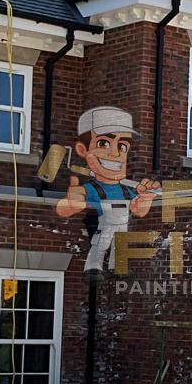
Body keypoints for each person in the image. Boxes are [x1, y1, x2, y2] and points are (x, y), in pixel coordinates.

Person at [53, 106, 160, 276]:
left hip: (121, 225)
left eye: (122, 146)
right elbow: (65, 207)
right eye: (104, 144)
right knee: (100, 243)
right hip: (103, 224)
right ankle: (93, 267)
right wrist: (70, 205)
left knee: (120, 243)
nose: (115, 153)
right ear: (82, 150)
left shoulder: (127, 190)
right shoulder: (92, 188)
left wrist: (146, 197)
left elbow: (138, 211)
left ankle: (118, 266)